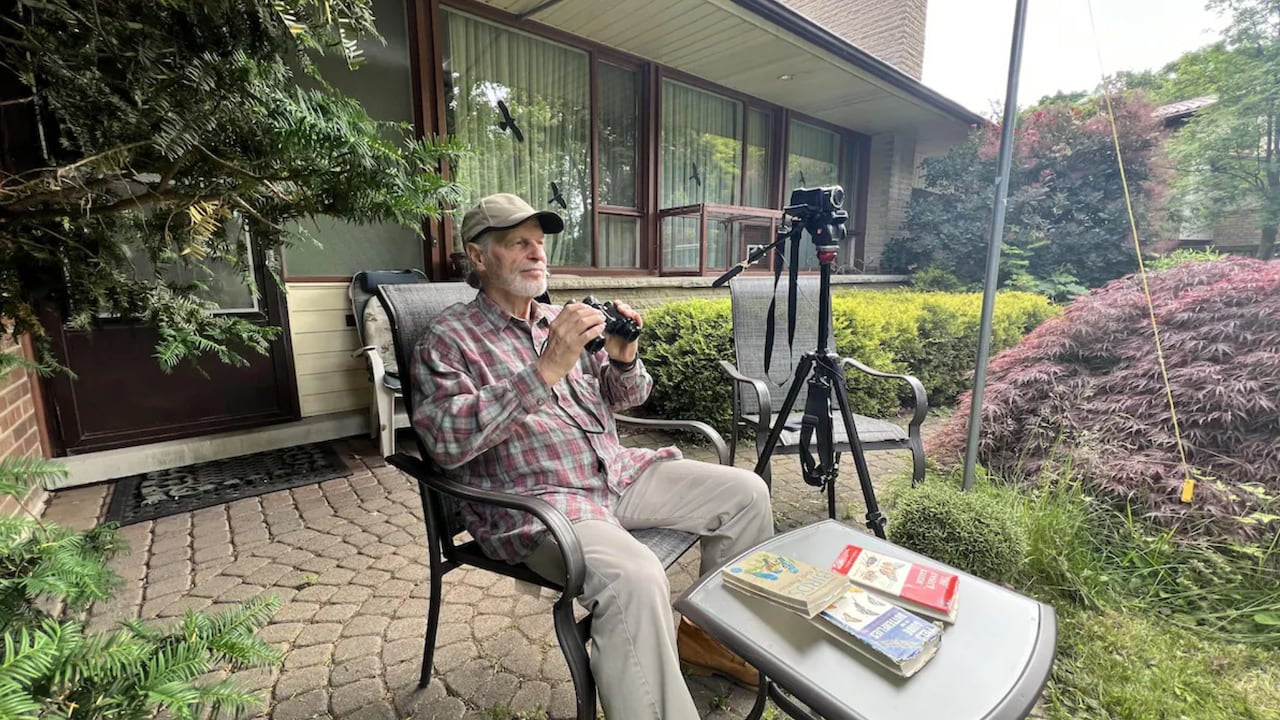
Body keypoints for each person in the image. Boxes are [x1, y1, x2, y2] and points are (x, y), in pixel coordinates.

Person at [411, 193, 774, 719]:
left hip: (614, 473)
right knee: (636, 577)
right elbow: (446, 444)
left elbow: (628, 397)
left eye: (540, 243)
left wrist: (624, 358)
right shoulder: (448, 340)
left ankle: (708, 640)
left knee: (746, 494)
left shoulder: (560, 319)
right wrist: (545, 369)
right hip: (543, 501)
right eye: (519, 243)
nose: (537, 253)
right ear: (478, 256)